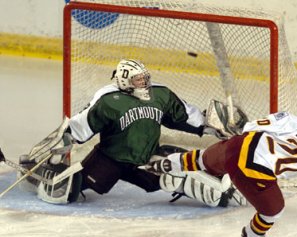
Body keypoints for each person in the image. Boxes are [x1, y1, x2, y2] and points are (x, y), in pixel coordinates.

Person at [22, 59, 235, 207]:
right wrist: (53, 149)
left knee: (172, 174)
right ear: (124, 80)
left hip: (144, 158)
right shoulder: (108, 99)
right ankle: (39, 176)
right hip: (109, 160)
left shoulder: (159, 94)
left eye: (145, 78)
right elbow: (78, 128)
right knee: (69, 189)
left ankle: (221, 188)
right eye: (138, 80)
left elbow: (182, 116)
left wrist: (210, 127)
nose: (144, 83)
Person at [145, 104, 297, 237]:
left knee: (202, 160)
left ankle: (165, 165)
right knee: (274, 210)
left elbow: (250, 127)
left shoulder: (288, 118)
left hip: (236, 146)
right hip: (252, 171)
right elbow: (277, 173)